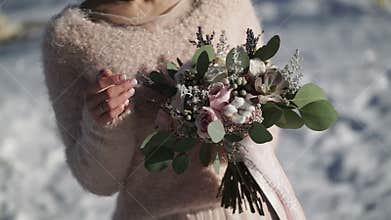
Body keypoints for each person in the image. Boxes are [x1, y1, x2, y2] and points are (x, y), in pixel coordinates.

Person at [42, 0, 306, 219]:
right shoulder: (70, 37)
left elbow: (268, 125)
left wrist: (238, 116)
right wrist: (103, 123)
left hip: (244, 211)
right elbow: (98, 181)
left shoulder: (226, 5)